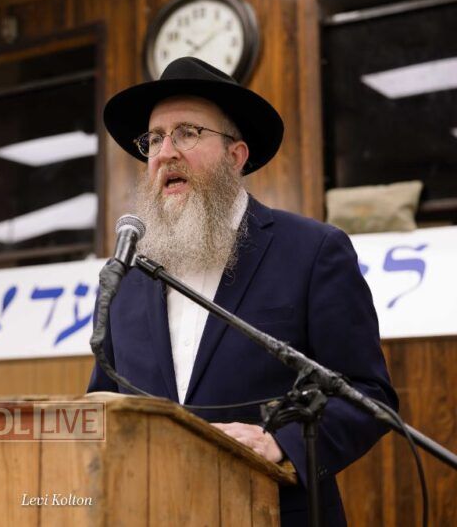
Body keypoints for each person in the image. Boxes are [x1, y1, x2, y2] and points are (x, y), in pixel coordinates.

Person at [87, 57, 398, 526]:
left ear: (235, 156)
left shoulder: (312, 251)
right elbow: (104, 400)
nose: (165, 152)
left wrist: (281, 444)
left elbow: (369, 395)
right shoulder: (125, 276)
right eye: (153, 139)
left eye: (187, 133)